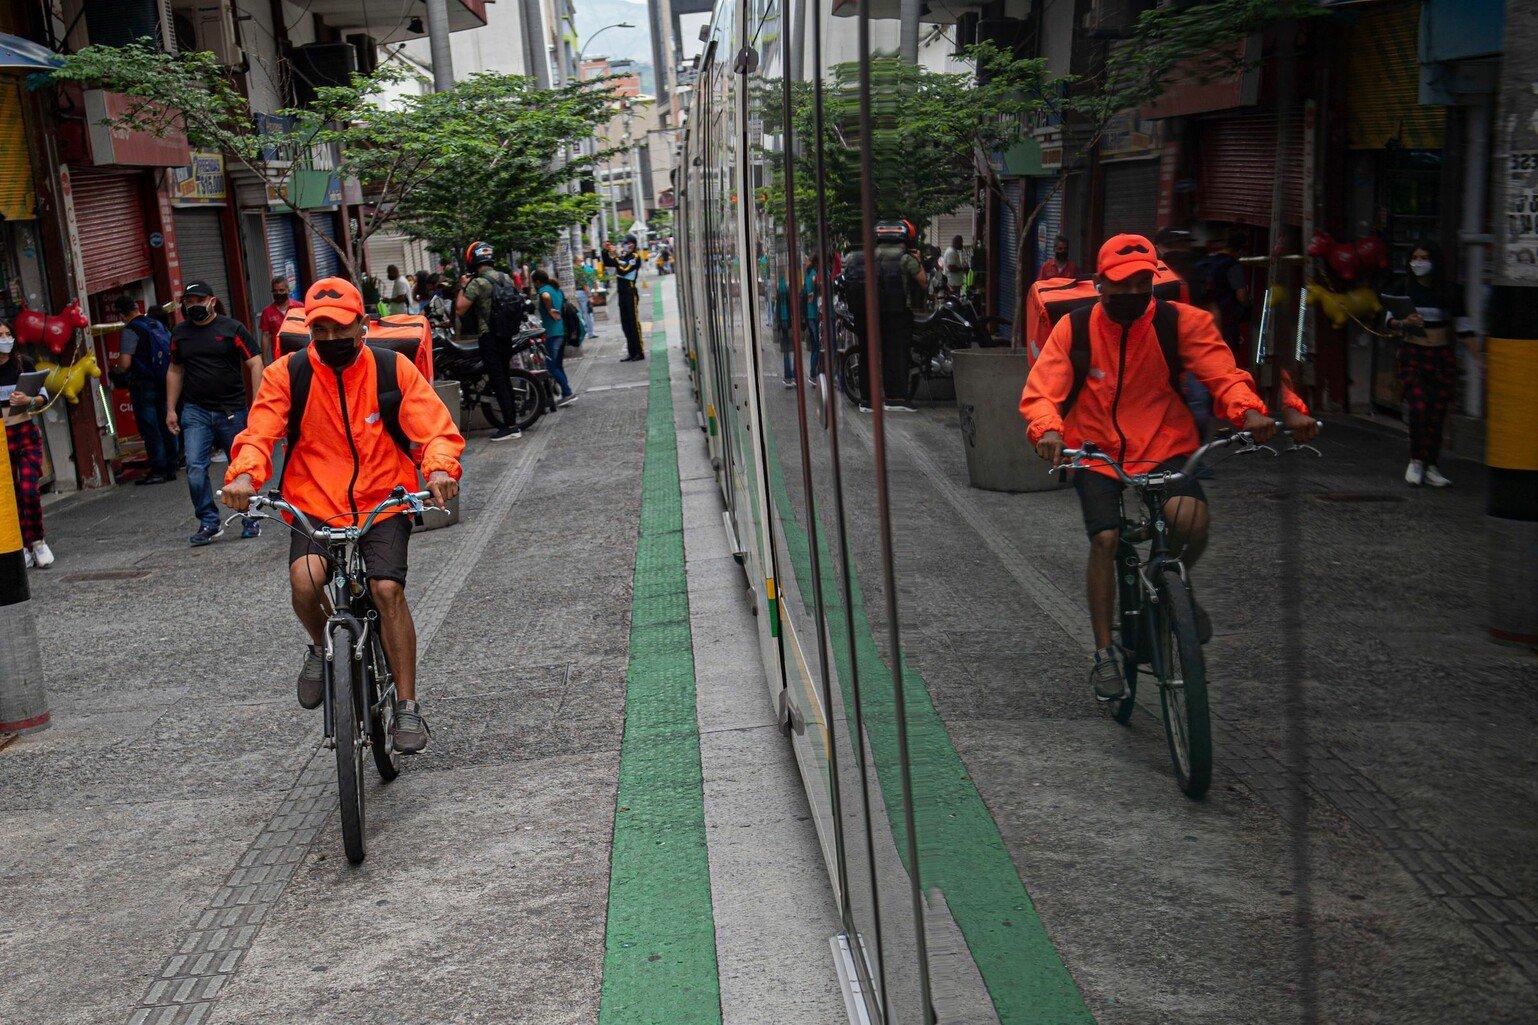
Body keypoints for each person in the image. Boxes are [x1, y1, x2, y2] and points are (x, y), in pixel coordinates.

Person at [1020, 233, 1317, 701]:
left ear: (1154, 280)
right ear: (1100, 283)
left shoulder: (1182, 322)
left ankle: (1174, 587)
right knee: (1106, 539)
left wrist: (1249, 411)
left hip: (1165, 441)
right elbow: (1043, 391)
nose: (1132, 294)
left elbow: (1224, 373)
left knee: (1189, 520)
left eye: (1142, 282)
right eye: (1121, 284)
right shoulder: (1073, 329)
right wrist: (1047, 431)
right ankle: (1104, 655)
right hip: (1093, 449)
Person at [220, 277, 464, 754]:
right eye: (320, 330)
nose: (330, 338)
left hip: (383, 499)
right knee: (305, 581)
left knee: (387, 589)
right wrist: (245, 474)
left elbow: (436, 429)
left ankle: (408, 706)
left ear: (362, 326)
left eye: (340, 328)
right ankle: (320, 646)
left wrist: (437, 470)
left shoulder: (393, 369)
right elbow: (260, 430)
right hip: (313, 500)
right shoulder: (287, 373)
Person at [166, 281, 264, 546]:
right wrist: (170, 410)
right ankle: (209, 522)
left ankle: (250, 516)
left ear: (212, 301)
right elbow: (175, 370)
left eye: (199, 300)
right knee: (195, 469)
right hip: (195, 411)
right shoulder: (180, 334)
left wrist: (257, 403)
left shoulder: (231, 329)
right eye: (189, 301)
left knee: (242, 467)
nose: (193, 306)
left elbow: (255, 362)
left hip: (232, 411)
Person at [1382, 244, 1477, 488]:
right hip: (1413, 354)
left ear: (1435, 261)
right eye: (1414, 258)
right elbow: (1389, 322)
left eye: (1424, 258)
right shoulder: (1402, 289)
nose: (1419, 262)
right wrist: (1404, 322)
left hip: (1441, 357)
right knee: (1418, 406)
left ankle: (1431, 465)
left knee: (1437, 411)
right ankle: (1415, 460)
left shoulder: (1450, 292)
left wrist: (1481, 358)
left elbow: (1464, 328)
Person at [455, 241, 523, 441]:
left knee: (498, 380)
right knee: (505, 377)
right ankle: (513, 422)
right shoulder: (506, 278)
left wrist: (462, 287)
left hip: (489, 336)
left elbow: (460, 308)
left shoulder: (478, 283)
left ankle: (510, 427)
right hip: (506, 334)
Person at [0, 319, 53, 568]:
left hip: (25, 433)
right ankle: (22, 544)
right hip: (2, 439)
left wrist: (28, 399)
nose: (5, 339)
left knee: (29, 489)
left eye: (8, 334)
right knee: (11, 495)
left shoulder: (24, 364)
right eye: (0, 335)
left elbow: (43, 397)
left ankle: (38, 541)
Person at [112, 294, 178, 485]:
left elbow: (125, 363)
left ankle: (158, 470)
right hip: (164, 380)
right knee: (167, 422)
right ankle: (171, 467)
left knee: (150, 427)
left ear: (122, 314)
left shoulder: (130, 330)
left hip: (144, 385)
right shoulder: (155, 324)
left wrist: (116, 370)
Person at [1203, 228, 1252, 358]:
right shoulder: (1232, 265)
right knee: (1228, 355)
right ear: (1239, 250)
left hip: (1206, 317)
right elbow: (1241, 295)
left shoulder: (1209, 262)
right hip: (1227, 319)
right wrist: (1249, 306)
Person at [532, 269, 576, 406]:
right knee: (558, 365)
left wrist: (549, 309)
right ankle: (566, 393)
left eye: (534, 282)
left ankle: (568, 392)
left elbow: (545, 296)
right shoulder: (556, 289)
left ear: (537, 282)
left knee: (551, 367)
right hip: (561, 332)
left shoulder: (544, 290)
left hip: (552, 333)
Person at [606, 236, 645, 362]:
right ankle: (631, 352)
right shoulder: (623, 256)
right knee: (625, 324)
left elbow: (623, 270)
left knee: (633, 323)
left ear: (632, 245)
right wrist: (606, 251)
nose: (623, 246)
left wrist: (616, 257)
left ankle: (639, 352)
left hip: (630, 293)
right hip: (622, 293)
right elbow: (608, 262)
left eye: (626, 244)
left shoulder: (635, 257)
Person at [257, 275, 302, 363]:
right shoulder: (267, 312)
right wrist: (264, 361)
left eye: (281, 290)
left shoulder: (299, 307)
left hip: (300, 354)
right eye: (275, 291)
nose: (278, 294)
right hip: (279, 358)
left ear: (288, 290)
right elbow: (265, 337)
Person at [803, 253, 822, 381]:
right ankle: (813, 374)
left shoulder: (808, 275)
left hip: (810, 314)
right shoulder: (814, 275)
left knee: (815, 345)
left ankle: (813, 372)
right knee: (816, 345)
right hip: (813, 314)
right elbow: (811, 296)